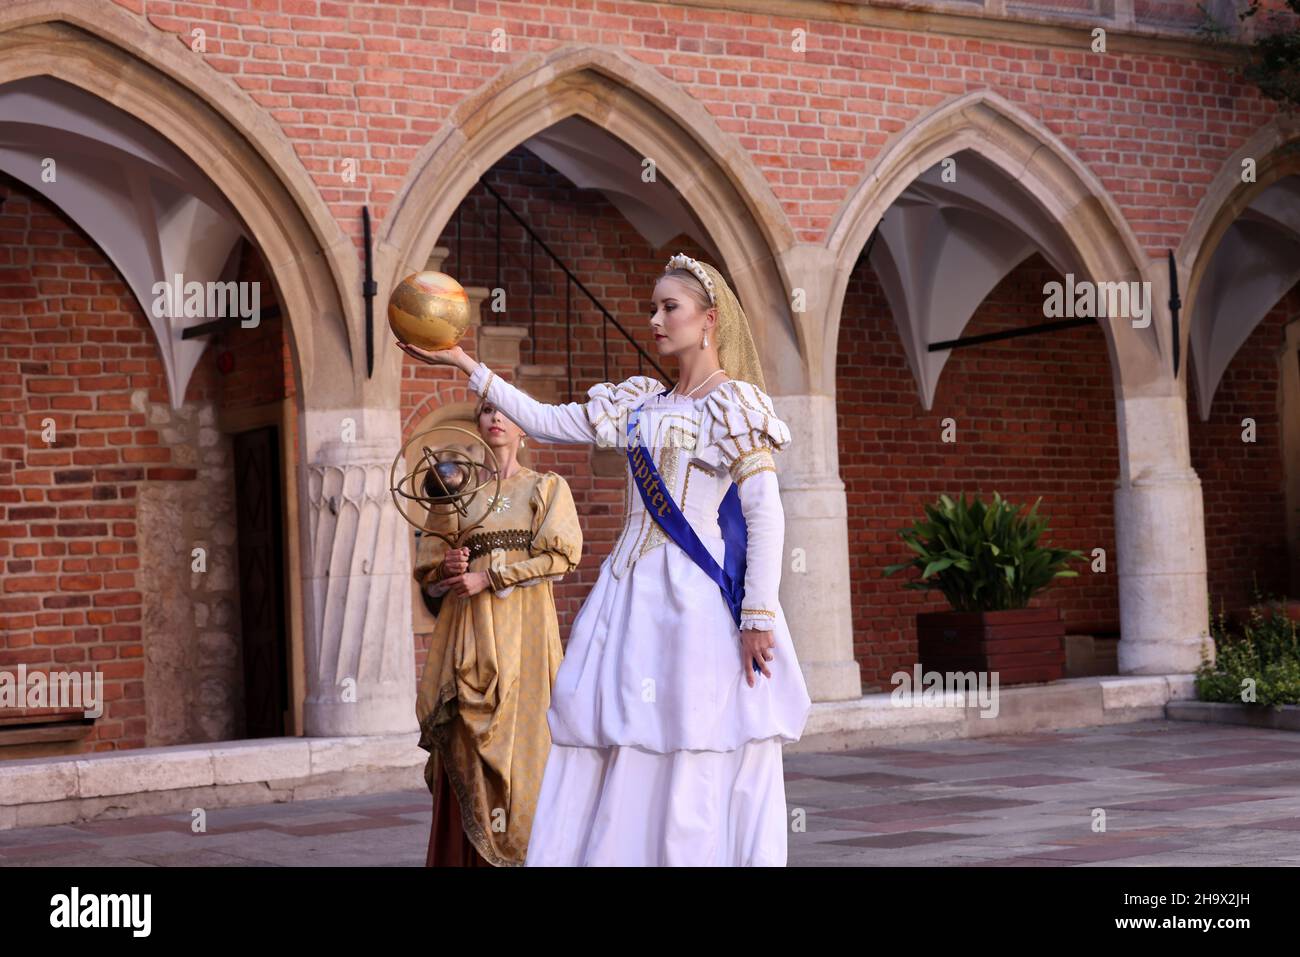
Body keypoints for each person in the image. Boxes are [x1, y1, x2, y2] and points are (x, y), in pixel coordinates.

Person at [398, 252, 811, 866]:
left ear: (709, 319)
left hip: (696, 601)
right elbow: (544, 418)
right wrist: (465, 362)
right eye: (652, 308)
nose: (655, 319)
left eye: (670, 307)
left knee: (691, 738)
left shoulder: (735, 405)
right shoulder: (638, 403)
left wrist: (757, 617)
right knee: (621, 738)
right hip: (628, 594)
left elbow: (765, 514)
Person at [411, 392, 582, 867]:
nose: (495, 418)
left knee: (528, 752)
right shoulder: (460, 492)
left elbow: (560, 558)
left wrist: (490, 575)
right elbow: (429, 570)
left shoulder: (546, 488)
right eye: (486, 409)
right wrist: (448, 565)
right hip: (468, 639)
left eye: (504, 409)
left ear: (524, 423)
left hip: (525, 639)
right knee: (466, 737)